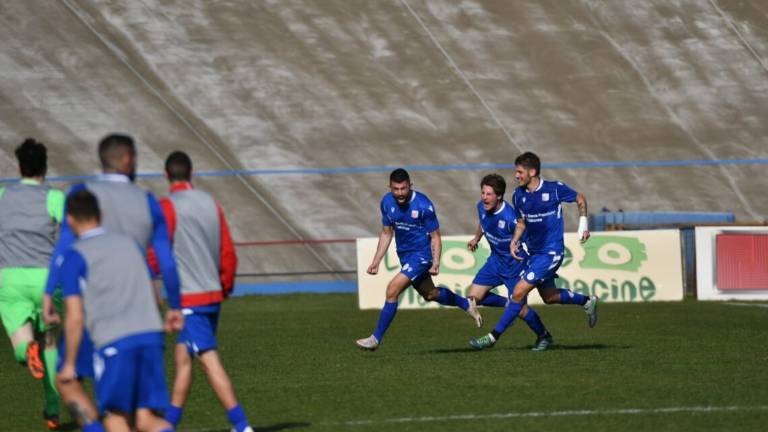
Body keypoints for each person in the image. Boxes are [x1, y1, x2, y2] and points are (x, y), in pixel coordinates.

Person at [42, 134, 182, 429]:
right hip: (141, 312)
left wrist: (47, 293)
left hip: (97, 313)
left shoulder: (82, 193)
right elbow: (165, 260)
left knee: (70, 380)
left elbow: (64, 248)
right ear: (128, 160)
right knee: (141, 414)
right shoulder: (147, 201)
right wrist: (175, 305)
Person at [150, 151, 252, 432]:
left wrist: (142, 273)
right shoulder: (211, 203)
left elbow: (157, 255)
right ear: (191, 172)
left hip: (189, 300)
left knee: (208, 361)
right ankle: (168, 424)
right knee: (183, 358)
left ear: (165, 175)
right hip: (212, 295)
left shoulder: (166, 207)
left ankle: (241, 425)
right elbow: (228, 251)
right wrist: (225, 287)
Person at [57, 189, 174, 431]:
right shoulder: (129, 243)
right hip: (151, 337)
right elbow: (156, 297)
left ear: (69, 220)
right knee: (145, 419)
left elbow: (75, 316)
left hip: (115, 343)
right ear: (101, 215)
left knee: (114, 416)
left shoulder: (74, 257)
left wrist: (69, 362)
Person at [470, 152, 598, 350]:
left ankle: (492, 337)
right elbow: (521, 223)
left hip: (551, 253)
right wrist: (514, 241)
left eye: (520, 172)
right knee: (550, 297)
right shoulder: (518, 196)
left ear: (533, 172)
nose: (517, 176)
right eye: (516, 172)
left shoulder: (554, 189)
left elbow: (580, 199)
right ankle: (587, 301)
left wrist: (583, 224)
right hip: (534, 253)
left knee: (519, 293)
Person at [356, 168, 480, 351]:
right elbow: (386, 233)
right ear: (389, 187)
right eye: (396, 189)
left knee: (392, 290)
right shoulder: (386, 202)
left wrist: (436, 262)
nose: (400, 193)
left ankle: (375, 338)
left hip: (422, 256)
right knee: (430, 294)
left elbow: (436, 237)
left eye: (403, 189)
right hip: (405, 256)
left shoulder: (423, 205)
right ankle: (465, 303)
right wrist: (376, 261)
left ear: (410, 186)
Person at [0, 139, 64, 429]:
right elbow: (72, 235)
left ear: (19, 167)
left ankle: (26, 352)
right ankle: (53, 410)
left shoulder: (2, 195)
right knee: (50, 343)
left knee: (22, 340)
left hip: (10, 278)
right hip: (46, 280)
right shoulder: (54, 197)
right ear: (45, 167)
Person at [465, 174, 553, 351]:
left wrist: (539, 261)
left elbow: (528, 237)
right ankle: (508, 304)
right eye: (483, 193)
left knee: (521, 310)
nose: (484, 197)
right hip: (495, 263)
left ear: (499, 196)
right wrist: (476, 238)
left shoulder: (511, 217)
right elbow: (483, 223)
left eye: (489, 194)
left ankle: (544, 335)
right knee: (472, 297)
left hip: (515, 266)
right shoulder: (481, 207)